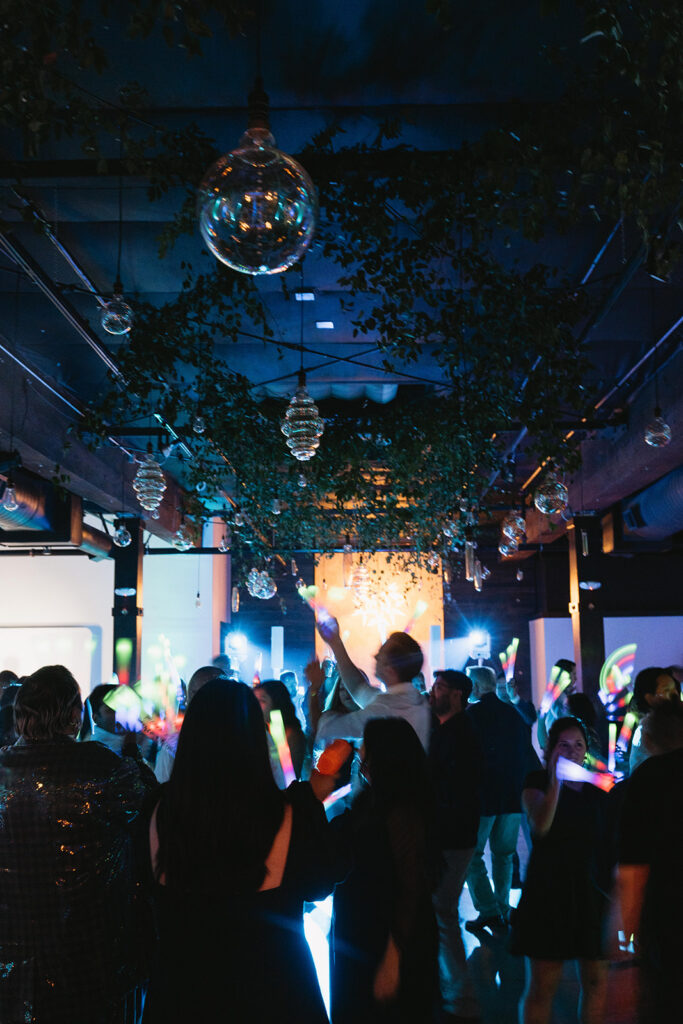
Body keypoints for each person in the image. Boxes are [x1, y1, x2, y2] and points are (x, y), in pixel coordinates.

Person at [144, 679, 335, 1024]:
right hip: (275, 991)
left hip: (182, 992)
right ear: (253, 737)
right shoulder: (292, 811)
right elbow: (319, 884)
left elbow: (142, 891)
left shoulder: (157, 809)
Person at [0, 665, 157, 1024]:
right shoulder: (101, 767)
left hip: (11, 957)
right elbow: (151, 803)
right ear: (75, 714)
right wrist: (134, 752)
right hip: (89, 953)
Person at [330, 716, 439, 1024]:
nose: (359, 751)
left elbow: (411, 887)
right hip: (363, 931)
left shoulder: (402, 811)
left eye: (366, 746)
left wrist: (394, 956)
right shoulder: (371, 799)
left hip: (386, 936)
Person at [511, 717, 613, 1024]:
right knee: (543, 986)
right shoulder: (536, 782)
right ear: (550, 749)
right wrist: (555, 780)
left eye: (578, 745)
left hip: (590, 892)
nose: (571, 751)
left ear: (587, 751)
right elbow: (541, 825)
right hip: (549, 891)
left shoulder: (596, 789)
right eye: (563, 745)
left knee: (596, 981)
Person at [617, 701, 683, 1022]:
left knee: (666, 995)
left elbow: (634, 857)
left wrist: (623, 927)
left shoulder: (648, 777)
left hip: (666, 905)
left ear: (650, 739)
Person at [465, 665, 539, 932]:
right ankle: (503, 907)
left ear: (474, 686)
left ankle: (488, 910)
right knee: (504, 855)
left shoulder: (471, 715)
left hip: (483, 797)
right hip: (512, 796)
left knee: (471, 855)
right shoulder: (513, 714)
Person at [429, 670, 482, 1022]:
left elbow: (456, 789)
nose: (434, 692)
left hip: (453, 834)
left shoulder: (462, 733)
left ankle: (459, 997)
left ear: (460, 694)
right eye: (435, 686)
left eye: (442, 688)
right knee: (440, 910)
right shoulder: (443, 730)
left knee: (442, 911)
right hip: (446, 833)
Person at [311, 616, 431, 753]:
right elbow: (358, 689)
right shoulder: (413, 700)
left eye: (381, 654)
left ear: (390, 669)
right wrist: (335, 643)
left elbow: (326, 728)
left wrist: (314, 688)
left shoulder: (386, 710)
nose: (375, 656)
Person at [154, 664, 227, 782]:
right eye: (195, 694)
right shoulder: (175, 744)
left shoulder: (249, 738)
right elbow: (161, 790)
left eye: (211, 695)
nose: (201, 701)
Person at [628, 666, 681, 773]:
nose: (675, 693)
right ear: (649, 698)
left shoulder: (675, 720)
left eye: (675, 688)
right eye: (666, 690)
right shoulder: (647, 727)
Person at [254, 678, 307, 780]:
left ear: (277, 702)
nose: (256, 704)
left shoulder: (286, 733)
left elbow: (288, 777)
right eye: (254, 699)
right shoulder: (259, 729)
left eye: (262, 700)